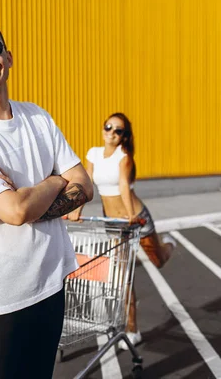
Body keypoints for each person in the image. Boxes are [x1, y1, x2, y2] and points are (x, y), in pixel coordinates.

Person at [0, 18, 93, 379]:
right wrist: (57, 180)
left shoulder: (37, 117)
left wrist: (35, 195)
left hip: (49, 285)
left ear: (8, 57)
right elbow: (14, 211)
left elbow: (85, 186)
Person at [67, 112, 176, 349]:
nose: (112, 133)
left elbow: (124, 187)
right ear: (103, 128)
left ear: (124, 137)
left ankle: (168, 245)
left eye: (119, 131)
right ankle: (132, 329)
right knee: (124, 276)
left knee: (158, 261)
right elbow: (86, 183)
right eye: (109, 127)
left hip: (135, 218)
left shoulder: (123, 157)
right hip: (112, 223)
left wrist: (130, 215)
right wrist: (76, 210)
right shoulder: (93, 154)